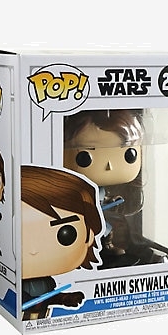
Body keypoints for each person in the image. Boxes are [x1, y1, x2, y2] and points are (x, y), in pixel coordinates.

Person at [21, 165, 103, 320]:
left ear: (89, 235)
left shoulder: (46, 282)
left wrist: (65, 299)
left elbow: (50, 298)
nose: (34, 250)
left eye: (65, 235)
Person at [63, 109, 143, 258]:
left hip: (96, 218)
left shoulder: (98, 190)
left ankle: (106, 247)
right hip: (80, 221)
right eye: (85, 157)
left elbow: (102, 198)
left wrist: (111, 201)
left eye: (129, 155)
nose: (109, 166)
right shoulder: (77, 190)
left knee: (106, 230)